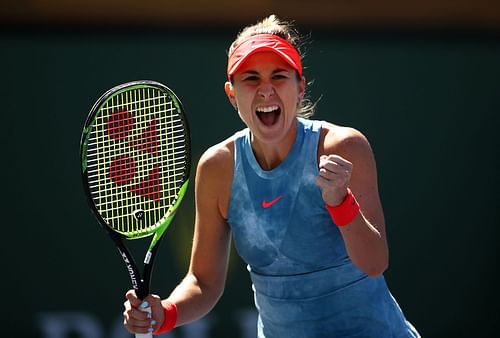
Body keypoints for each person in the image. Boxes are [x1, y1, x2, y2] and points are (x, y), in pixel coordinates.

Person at [123, 14, 420, 337]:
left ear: (300, 87)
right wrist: (164, 313)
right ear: (232, 94)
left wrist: (340, 201)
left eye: (278, 76)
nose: (266, 90)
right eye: (251, 78)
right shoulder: (218, 168)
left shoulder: (343, 147)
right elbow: (204, 282)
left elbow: (375, 262)